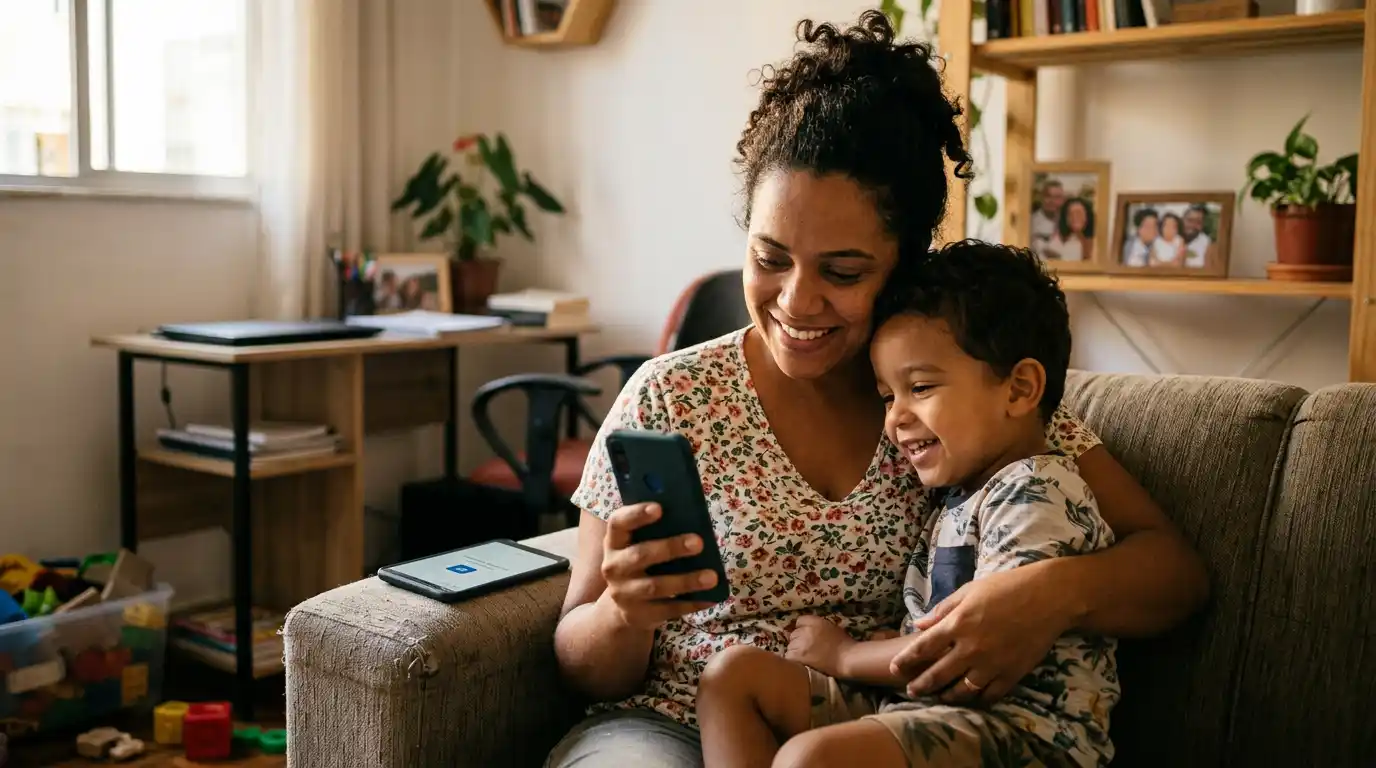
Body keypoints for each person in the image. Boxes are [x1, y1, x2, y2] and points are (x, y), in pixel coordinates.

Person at [548, 12, 1208, 768]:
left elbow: (1175, 574)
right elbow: (579, 659)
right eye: (770, 257)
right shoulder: (672, 396)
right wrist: (625, 614)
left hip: (877, 730)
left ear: (903, 264)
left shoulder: (962, 401)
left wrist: (1052, 592)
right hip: (666, 727)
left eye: (843, 271)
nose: (795, 303)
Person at [697, 240, 1119, 768]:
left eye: (919, 387)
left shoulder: (1036, 490)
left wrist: (846, 656)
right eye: (886, 396)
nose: (895, 418)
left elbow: (964, 648)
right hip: (924, 710)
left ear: (1020, 390)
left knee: (814, 759)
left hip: (1022, 733)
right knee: (732, 678)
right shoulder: (958, 495)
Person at [1044, 197, 1094, 263]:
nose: (1075, 217)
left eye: (1079, 213)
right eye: (1071, 214)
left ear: (1087, 216)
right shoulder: (1057, 241)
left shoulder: (1096, 243)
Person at [1030, 179, 1064, 254]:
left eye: (1057, 197)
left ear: (1062, 200)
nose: (1052, 200)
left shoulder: (1068, 221)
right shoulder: (1031, 221)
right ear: (1042, 197)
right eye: (1048, 196)